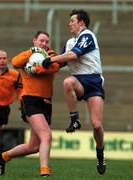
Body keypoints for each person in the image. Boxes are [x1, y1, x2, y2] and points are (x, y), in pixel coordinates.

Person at [42, 9, 106, 175]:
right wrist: (39, 65)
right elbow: (60, 63)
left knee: (97, 125)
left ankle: (100, 154)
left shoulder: (88, 36)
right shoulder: (70, 42)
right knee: (67, 81)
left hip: (94, 82)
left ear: (82, 23)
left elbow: (71, 56)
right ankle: (75, 120)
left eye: (72, 20)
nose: (69, 23)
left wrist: (50, 59)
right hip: (79, 81)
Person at [0, 31, 60, 177]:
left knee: (34, 146)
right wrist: (31, 52)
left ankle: (2, 158)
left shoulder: (51, 54)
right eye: (41, 41)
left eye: (47, 41)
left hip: (46, 103)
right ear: (34, 40)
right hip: (30, 100)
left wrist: (35, 68)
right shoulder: (28, 54)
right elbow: (15, 62)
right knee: (46, 135)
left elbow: (55, 67)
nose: (44, 44)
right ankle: (45, 172)